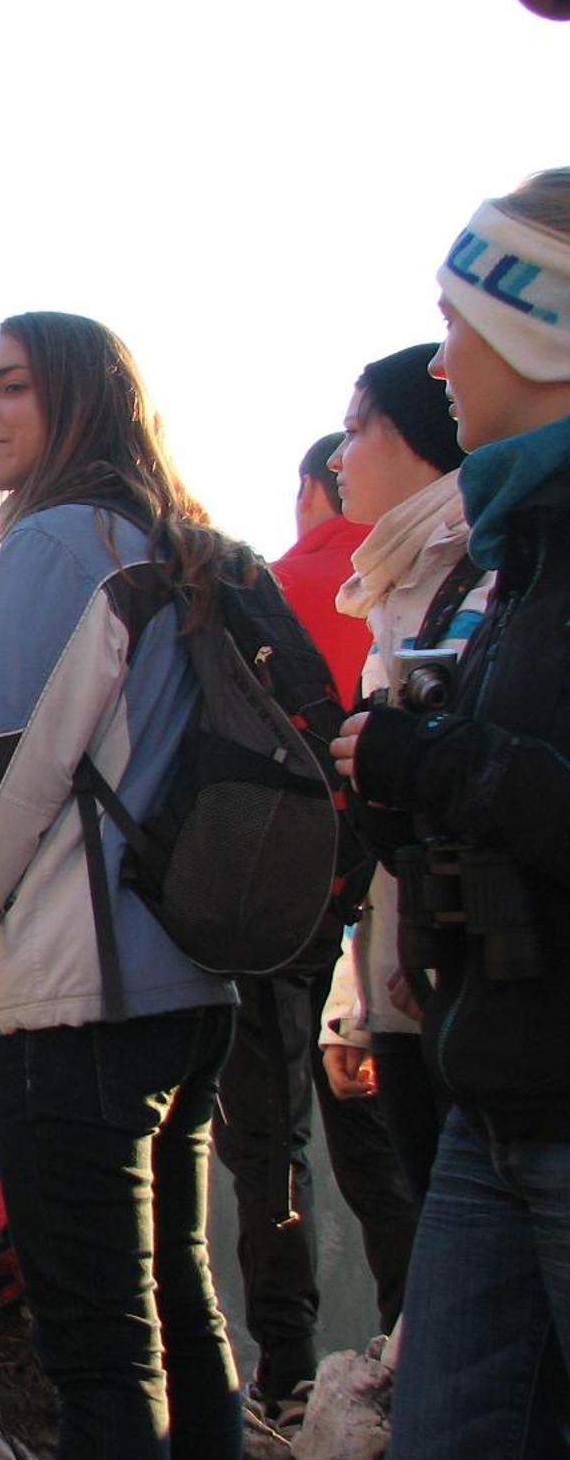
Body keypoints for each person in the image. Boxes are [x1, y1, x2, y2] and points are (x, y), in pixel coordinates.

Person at [0, 311, 243, 1460]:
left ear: (77, 405)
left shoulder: (56, 544)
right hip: (192, 986)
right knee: (176, 1313)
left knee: (99, 1355)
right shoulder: (171, 541)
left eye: (10, 387)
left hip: (78, 997)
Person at [330, 170, 570, 1460]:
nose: (438, 358)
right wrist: (405, 780)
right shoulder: (508, 550)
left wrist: (449, 760)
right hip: (491, 1100)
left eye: (458, 319)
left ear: (542, 325)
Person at [210, 423, 421, 1427]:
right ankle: (415, 1337)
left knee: (267, 1136)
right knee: (386, 1136)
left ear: (309, 492)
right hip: (388, 901)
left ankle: (285, 1370)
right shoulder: (432, 587)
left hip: (274, 899)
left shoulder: (275, 588)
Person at [314, 347, 487, 1209]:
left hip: (482, 993)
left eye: (355, 430)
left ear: (419, 435)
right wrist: (353, 1007)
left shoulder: (485, 576)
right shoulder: (396, 588)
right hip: (406, 982)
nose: (339, 458)